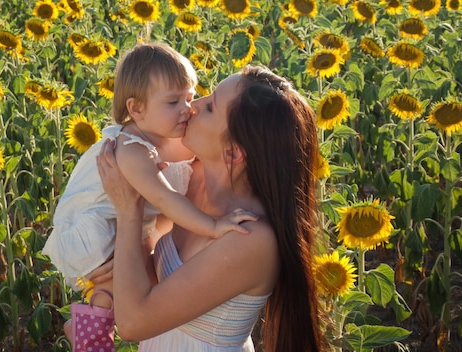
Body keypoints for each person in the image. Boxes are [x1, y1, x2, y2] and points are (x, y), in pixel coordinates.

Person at [96, 65, 328, 351]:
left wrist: (128, 211)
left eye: (209, 108)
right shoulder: (191, 180)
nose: (192, 106)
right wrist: (113, 257)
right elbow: (159, 281)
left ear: (232, 152)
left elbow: (134, 323)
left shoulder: (250, 238)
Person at [41, 42, 255, 349]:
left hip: (123, 221)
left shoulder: (166, 135)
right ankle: (90, 332)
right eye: (173, 102)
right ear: (136, 108)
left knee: (137, 272)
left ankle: (89, 321)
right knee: (128, 276)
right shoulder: (131, 149)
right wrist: (213, 226)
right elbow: (166, 199)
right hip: (94, 228)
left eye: (190, 98)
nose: (187, 109)